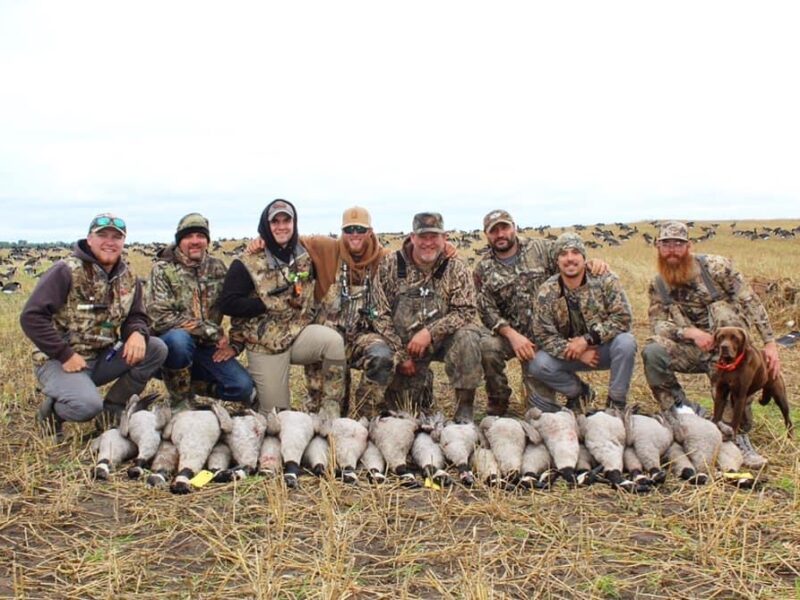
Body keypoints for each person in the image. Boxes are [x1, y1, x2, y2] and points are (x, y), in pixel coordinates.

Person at [641, 221, 782, 468]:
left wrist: (770, 343)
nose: (672, 250)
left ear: (689, 246)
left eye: (678, 244)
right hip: (692, 350)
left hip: (730, 355)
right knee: (653, 350)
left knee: (730, 423)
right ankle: (679, 412)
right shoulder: (658, 284)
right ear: (657, 247)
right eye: (666, 244)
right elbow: (658, 324)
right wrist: (690, 333)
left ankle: (739, 438)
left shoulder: (717, 267)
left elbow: (750, 301)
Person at [21, 213, 167, 437]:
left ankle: (113, 409)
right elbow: (31, 316)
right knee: (87, 406)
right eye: (103, 235)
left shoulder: (129, 277)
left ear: (123, 241)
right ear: (89, 239)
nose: (110, 241)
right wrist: (64, 354)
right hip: (60, 361)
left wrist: (137, 332)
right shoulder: (66, 271)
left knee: (156, 348)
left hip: (103, 357)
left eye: (116, 237)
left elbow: (137, 315)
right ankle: (52, 413)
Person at [217, 199, 346, 418]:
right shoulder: (247, 262)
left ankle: (330, 413)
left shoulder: (304, 253)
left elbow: (346, 247)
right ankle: (257, 395)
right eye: (275, 222)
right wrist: (264, 305)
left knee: (333, 341)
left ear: (294, 223)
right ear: (266, 226)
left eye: (287, 220)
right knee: (278, 418)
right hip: (265, 345)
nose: (281, 226)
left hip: (298, 334)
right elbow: (228, 303)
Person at [473, 209, 608, 415]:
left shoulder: (542, 248)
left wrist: (591, 263)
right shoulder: (482, 268)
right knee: (487, 347)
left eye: (504, 228)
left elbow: (570, 260)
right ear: (486, 234)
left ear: (514, 228)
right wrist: (513, 336)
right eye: (494, 231)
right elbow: (486, 310)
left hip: (549, 335)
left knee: (539, 412)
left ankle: (579, 392)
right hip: (512, 336)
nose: (500, 234)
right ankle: (498, 400)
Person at [371, 212, 496, 422]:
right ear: (412, 237)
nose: (428, 243)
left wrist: (429, 333)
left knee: (468, 337)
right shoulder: (390, 265)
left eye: (434, 237)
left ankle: (464, 407)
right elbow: (379, 314)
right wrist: (400, 355)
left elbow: (466, 311)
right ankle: (422, 385)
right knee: (404, 413)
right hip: (405, 345)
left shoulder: (456, 267)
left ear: (444, 238)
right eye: (423, 236)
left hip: (442, 341)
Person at [147, 213, 254, 408]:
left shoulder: (217, 268)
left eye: (200, 236)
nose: (195, 241)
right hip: (171, 346)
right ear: (179, 241)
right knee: (179, 340)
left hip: (207, 348)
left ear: (207, 240)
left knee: (242, 387)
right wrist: (211, 331)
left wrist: (236, 344)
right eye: (188, 236)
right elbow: (161, 318)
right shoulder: (163, 270)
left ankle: (190, 389)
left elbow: (236, 305)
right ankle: (179, 402)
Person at [529, 233, 636, 412]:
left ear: (584, 257)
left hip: (602, 349)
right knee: (538, 364)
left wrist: (586, 340)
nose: (570, 258)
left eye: (575, 252)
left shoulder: (606, 279)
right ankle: (579, 393)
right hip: (570, 353)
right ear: (556, 260)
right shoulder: (546, 291)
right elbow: (543, 335)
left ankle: (616, 403)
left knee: (626, 342)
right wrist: (576, 351)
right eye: (563, 254)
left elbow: (623, 319)